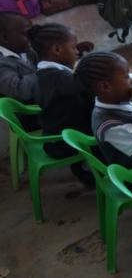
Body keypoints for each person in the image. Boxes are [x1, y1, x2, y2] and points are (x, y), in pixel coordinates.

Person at [29, 23, 95, 186]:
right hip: (68, 143)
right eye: (73, 47)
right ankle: (92, 171)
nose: (77, 51)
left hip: (54, 138)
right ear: (57, 49)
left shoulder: (42, 74)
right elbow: (92, 99)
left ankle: (84, 167)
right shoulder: (63, 80)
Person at [0, 11, 38, 102]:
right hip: (27, 108)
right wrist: (49, 72)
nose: (32, 38)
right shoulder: (2, 63)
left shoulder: (26, 51)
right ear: (4, 37)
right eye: (27, 34)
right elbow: (18, 90)